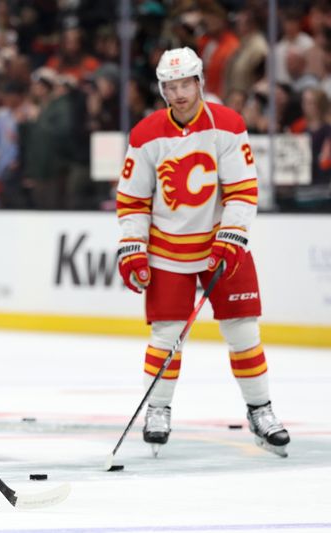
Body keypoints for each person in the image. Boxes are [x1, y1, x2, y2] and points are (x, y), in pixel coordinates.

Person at [115, 47, 290, 458]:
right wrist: (133, 249)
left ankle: (260, 410)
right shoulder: (145, 134)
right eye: (170, 87)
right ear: (162, 90)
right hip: (168, 251)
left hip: (220, 244)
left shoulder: (227, 125)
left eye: (184, 85)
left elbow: (243, 190)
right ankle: (157, 410)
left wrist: (231, 238)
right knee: (167, 335)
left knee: (243, 331)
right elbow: (132, 200)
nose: (178, 94)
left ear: (199, 83)